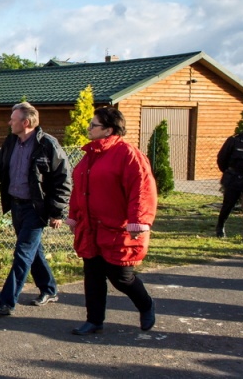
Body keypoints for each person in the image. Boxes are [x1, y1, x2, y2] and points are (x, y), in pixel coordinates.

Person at [65, 107, 157, 335]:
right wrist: (74, 216)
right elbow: (80, 190)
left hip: (117, 228)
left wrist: (138, 221)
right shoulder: (90, 156)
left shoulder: (128, 154)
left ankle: (146, 305)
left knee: (121, 277)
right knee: (93, 274)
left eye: (93, 125)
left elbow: (142, 189)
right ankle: (94, 320)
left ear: (108, 129)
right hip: (91, 227)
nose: (89, 128)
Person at [0, 102, 71, 316]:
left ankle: (6, 302)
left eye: (13, 119)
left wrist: (57, 212)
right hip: (16, 205)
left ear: (25, 122)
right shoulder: (11, 142)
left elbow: (63, 180)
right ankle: (49, 289)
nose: (9, 122)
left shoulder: (47, 144)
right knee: (32, 251)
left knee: (22, 253)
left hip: (36, 208)